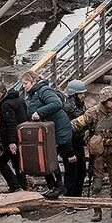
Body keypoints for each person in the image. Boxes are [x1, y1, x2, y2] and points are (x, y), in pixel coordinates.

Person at [71, 86, 112, 221]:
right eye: (111, 101)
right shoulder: (93, 112)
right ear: (104, 101)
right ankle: (97, 210)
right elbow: (76, 124)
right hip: (98, 154)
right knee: (97, 182)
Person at [21, 71, 75, 200]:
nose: (24, 86)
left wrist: (39, 112)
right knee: (45, 158)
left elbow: (56, 104)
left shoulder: (43, 90)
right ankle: (53, 186)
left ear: (33, 81)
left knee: (49, 157)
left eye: (25, 83)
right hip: (48, 130)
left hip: (58, 129)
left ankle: (59, 186)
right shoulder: (32, 93)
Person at [0, 81, 28, 193]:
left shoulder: (5, 105)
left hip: (11, 138)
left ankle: (14, 185)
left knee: (1, 162)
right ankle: (23, 186)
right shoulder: (19, 99)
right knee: (17, 163)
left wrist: (12, 142)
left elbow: (11, 123)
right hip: (21, 136)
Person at [61, 80, 88, 197]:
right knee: (72, 173)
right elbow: (65, 132)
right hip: (70, 144)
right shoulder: (68, 109)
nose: (83, 96)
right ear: (74, 94)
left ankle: (77, 197)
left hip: (78, 142)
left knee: (81, 172)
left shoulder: (79, 105)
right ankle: (70, 199)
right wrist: (69, 152)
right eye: (81, 93)